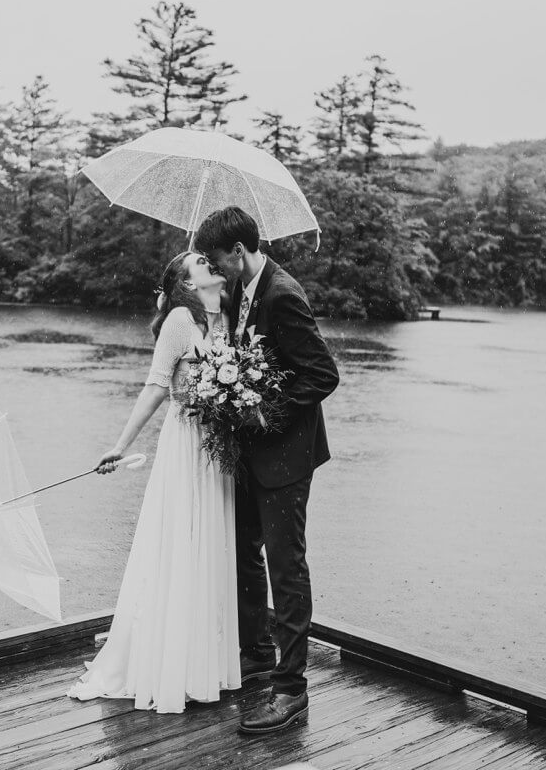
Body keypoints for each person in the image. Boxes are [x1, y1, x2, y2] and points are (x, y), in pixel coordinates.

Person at [67, 250, 240, 713]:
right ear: (186, 282)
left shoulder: (221, 316)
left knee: (209, 549)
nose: (212, 264)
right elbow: (156, 386)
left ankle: (205, 663)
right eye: (201, 262)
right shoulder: (180, 320)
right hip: (185, 444)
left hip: (216, 448)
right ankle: (169, 666)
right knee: (179, 547)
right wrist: (120, 446)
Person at [193, 206, 339, 735]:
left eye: (217, 260)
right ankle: (255, 657)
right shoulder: (238, 292)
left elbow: (323, 374)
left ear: (239, 251)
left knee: (286, 567)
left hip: (287, 456)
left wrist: (264, 405)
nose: (215, 269)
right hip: (249, 453)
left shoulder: (283, 294)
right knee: (242, 555)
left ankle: (291, 689)